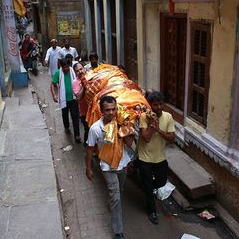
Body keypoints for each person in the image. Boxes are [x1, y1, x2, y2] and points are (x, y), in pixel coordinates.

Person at [85, 96, 134, 239]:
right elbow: (89, 149)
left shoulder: (120, 123)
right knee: (116, 197)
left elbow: (129, 143)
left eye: (113, 109)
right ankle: (118, 231)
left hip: (122, 164)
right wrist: (88, 168)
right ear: (101, 111)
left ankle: (112, 202)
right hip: (107, 167)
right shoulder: (95, 129)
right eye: (107, 110)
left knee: (120, 190)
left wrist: (125, 128)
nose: (111, 113)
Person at [137, 91, 175, 225]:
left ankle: (145, 185)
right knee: (148, 188)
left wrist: (159, 130)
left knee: (161, 182)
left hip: (160, 157)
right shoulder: (143, 117)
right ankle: (151, 211)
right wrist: (152, 126)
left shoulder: (168, 117)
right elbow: (146, 138)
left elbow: (172, 139)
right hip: (145, 157)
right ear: (150, 105)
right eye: (155, 105)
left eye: (161, 104)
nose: (158, 107)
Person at [51, 59, 81, 143]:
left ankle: (77, 135)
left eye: (67, 66)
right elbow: (52, 84)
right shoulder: (58, 73)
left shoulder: (73, 71)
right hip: (64, 99)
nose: (65, 69)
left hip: (74, 98)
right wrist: (54, 95)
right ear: (61, 66)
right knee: (65, 114)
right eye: (64, 67)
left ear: (69, 65)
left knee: (75, 116)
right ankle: (66, 127)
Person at [72, 62, 90, 145]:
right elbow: (78, 97)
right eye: (77, 71)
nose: (80, 71)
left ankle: (94, 148)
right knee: (88, 130)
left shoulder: (91, 76)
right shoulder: (75, 82)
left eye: (81, 69)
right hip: (84, 111)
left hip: (94, 109)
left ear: (84, 68)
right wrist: (83, 85)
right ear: (75, 72)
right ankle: (87, 147)